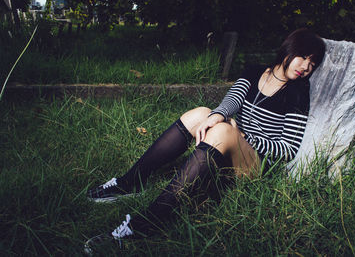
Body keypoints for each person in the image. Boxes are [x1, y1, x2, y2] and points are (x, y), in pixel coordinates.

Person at [84, 28, 325, 252]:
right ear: (289, 49)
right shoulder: (255, 71)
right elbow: (233, 99)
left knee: (223, 131)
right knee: (201, 113)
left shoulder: (298, 92)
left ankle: (147, 223)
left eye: (312, 63)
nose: (305, 66)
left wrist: (242, 135)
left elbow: (287, 150)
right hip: (233, 146)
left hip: (256, 165)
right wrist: (218, 115)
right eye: (303, 57)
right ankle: (131, 182)